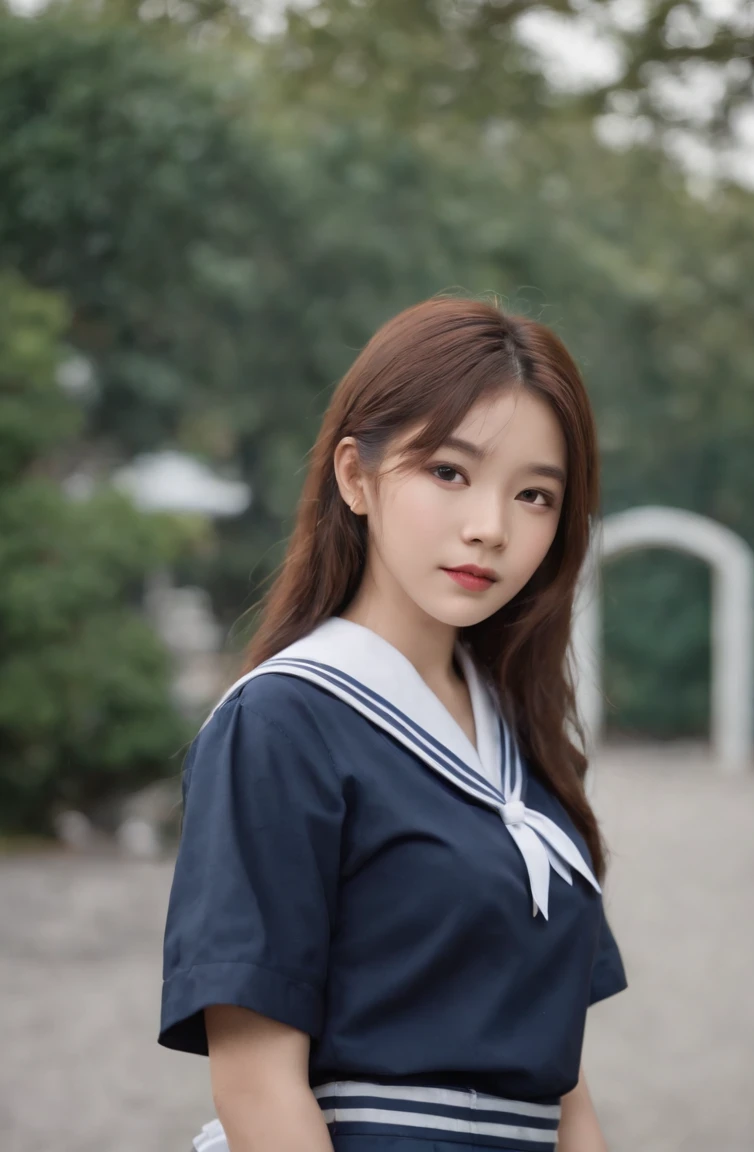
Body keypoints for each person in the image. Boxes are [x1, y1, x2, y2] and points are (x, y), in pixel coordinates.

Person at [158, 295, 628, 1152]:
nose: (489, 529)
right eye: (449, 472)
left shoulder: (520, 739)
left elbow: (564, 1086)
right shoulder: (285, 722)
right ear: (355, 476)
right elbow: (257, 1084)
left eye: (534, 495)